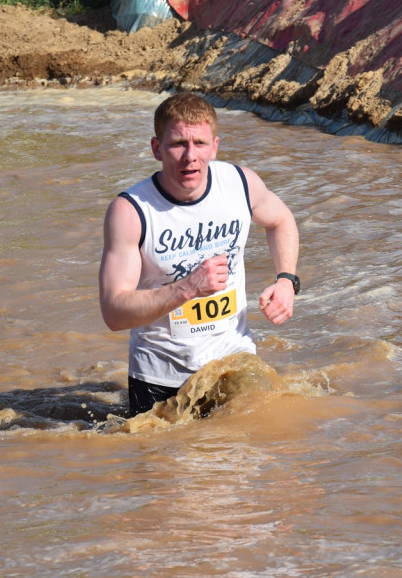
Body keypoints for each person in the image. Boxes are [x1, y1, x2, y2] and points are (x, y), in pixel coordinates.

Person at [98, 93, 300, 416]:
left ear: (215, 147)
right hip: (159, 372)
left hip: (232, 358)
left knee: (256, 431)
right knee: (161, 461)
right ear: (156, 148)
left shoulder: (240, 184)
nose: (190, 156)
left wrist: (287, 280)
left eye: (200, 144)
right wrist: (187, 288)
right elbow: (113, 311)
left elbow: (281, 220)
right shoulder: (131, 212)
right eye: (178, 143)